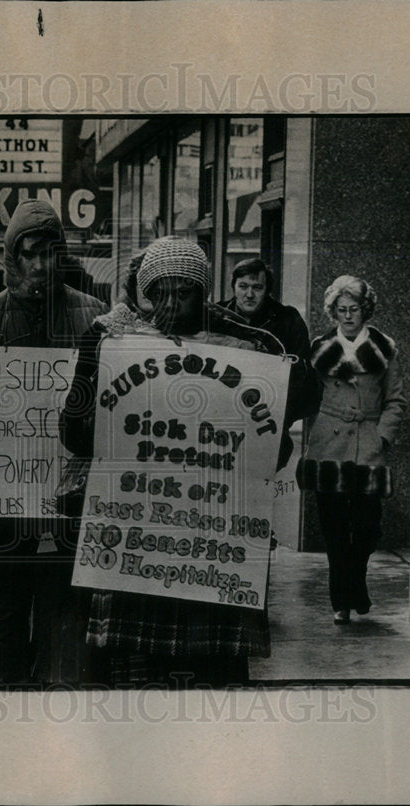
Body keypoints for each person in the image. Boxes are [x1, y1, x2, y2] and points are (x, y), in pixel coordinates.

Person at [60, 236, 320, 687]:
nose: (172, 305)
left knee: (214, 690)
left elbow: (275, 442)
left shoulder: (243, 342)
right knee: (134, 684)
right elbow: (74, 432)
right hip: (137, 540)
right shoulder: (108, 339)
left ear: (203, 293)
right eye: (159, 292)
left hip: (213, 545)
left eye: (184, 293)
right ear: (141, 292)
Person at [0, 199, 108, 683]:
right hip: (7, 492)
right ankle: (6, 693)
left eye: (50, 254)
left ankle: (56, 706)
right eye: (29, 254)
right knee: (8, 607)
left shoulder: (93, 316)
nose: (40, 265)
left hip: (68, 490)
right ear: (13, 256)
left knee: (63, 602)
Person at [295, 276, 406, 624]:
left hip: (367, 445)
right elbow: (306, 395)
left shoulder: (385, 348)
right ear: (333, 312)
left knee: (368, 526)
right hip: (328, 446)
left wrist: (382, 437)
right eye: (341, 310)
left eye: (353, 309)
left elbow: (396, 400)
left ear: (365, 310)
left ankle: (353, 585)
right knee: (334, 528)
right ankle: (341, 600)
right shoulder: (319, 348)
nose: (347, 316)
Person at [220, 258, 311, 358]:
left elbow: (302, 365)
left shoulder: (288, 319)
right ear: (234, 287)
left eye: (257, 287)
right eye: (243, 286)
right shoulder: (217, 316)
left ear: (267, 290)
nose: (250, 294)